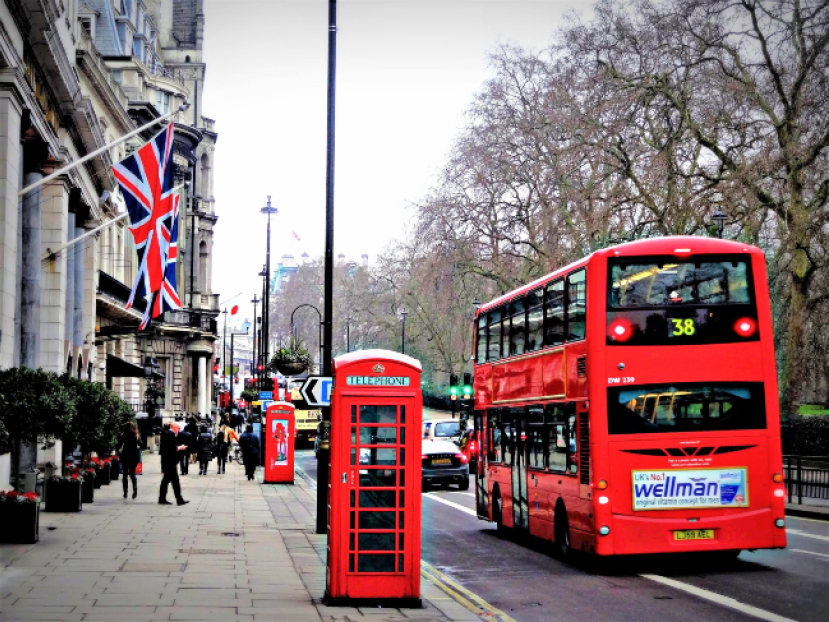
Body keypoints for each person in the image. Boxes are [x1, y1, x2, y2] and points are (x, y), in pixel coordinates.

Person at [158, 423, 190, 506]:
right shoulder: (170, 434)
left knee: (166, 480)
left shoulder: (166, 433)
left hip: (167, 461)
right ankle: (179, 500)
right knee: (175, 481)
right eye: (178, 428)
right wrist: (181, 447)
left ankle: (162, 498)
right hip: (170, 461)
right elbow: (172, 448)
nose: (179, 430)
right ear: (174, 427)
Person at [117, 421, 141, 499]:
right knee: (132, 473)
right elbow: (141, 445)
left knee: (124, 474)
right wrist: (138, 438)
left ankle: (125, 492)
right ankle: (135, 489)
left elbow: (118, 445)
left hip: (125, 455)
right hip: (134, 456)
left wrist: (118, 452)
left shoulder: (123, 435)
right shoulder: (135, 435)